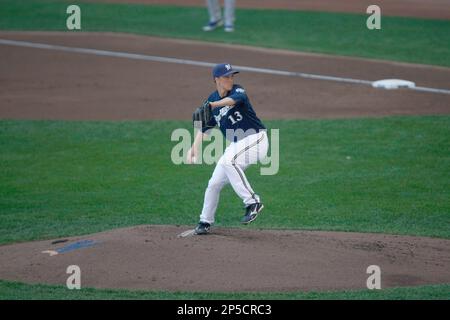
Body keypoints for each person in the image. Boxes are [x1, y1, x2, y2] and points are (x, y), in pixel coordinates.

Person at [187, 63, 269, 235]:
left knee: (228, 161)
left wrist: (213, 105)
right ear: (216, 79)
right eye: (226, 77)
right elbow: (205, 128)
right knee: (214, 183)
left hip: (256, 139)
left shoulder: (238, 91)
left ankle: (253, 202)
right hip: (238, 145)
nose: (230, 79)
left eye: (232, 76)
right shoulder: (211, 101)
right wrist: (193, 148)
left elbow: (231, 101)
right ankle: (205, 221)